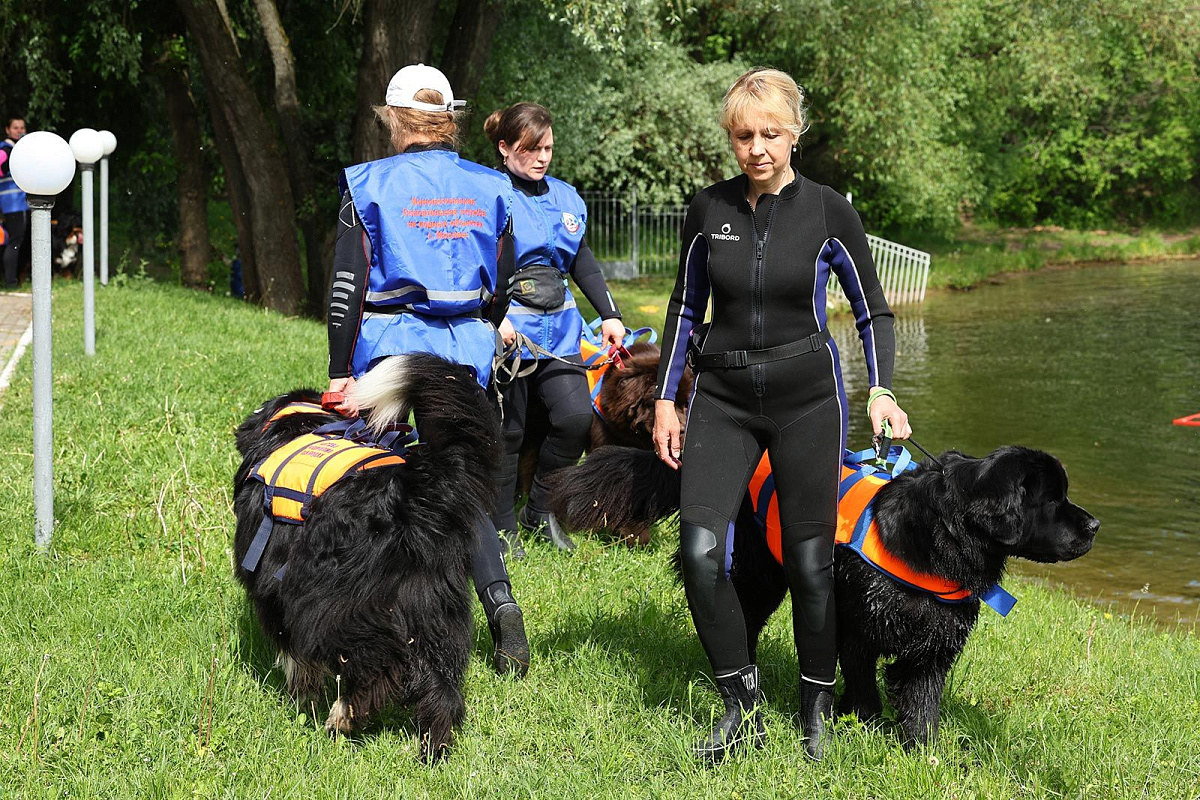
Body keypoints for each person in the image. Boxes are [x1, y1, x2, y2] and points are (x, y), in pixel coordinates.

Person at [651, 68, 912, 762]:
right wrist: (663, 400)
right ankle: (742, 703)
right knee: (701, 552)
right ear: (730, 139)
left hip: (807, 402)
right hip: (723, 400)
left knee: (809, 561)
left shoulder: (828, 211)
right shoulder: (708, 210)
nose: (757, 147)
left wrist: (881, 391)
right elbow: (684, 308)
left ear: (794, 133)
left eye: (770, 133)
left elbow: (872, 311)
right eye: (744, 135)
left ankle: (815, 706)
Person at [324, 64, 530, 677]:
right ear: (448, 119)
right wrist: (481, 320)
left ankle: (374, 618)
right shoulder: (491, 186)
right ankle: (502, 609)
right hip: (464, 346)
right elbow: (508, 277)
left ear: (393, 119)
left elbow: (347, 285)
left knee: (375, 477)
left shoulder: (367, 185)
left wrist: (340, 372)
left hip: (389, 346)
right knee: (459, 485)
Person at [483, 103, 624, 555]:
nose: (541, 157)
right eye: (530, 149)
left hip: (561, 328)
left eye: (547, 148)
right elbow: (473, 264)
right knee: (510, 431)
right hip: (509, 328)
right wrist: (492, 319)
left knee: (574, 419)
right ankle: (502, 528)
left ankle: (539, 512)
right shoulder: (486, 193)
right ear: (505, 148)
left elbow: (582, 261)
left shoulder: (566, 197)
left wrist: (611, 314)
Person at [0, 116, 29, 287]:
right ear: (7, 130)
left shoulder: (19, 149)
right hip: (12, 203)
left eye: (22, 128)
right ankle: (11, 282)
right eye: (15, 128)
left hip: (18, 203)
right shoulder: (5, 148)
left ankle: (15, 278)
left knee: (17, 242)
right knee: (14, 242)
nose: (19, 131)